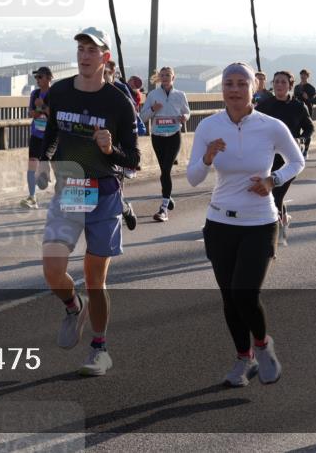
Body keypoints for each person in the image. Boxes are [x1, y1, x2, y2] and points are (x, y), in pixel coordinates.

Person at [187, 62, 304, 387]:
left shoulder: (271, 126)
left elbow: (297, 161)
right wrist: (207, 157)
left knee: (245, 293)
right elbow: (194, 178)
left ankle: (263, 346)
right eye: (229, 84)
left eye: (241, 83)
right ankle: (243, 359)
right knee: (229, 297)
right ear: (221, 88)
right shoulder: (209, 126)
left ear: (254, 88)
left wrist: (273, 180)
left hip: (260, 222)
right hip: (220, 222)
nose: (234, 90)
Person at [38, 27, 140, 376]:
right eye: (80, 49)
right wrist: (42, 161)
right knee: (52, 270)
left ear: (105, 58)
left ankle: (100, 348)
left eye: (92, 50)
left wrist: (111, 149)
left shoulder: (118, 102)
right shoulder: (61, 91)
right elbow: (51, 134)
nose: (84, 55)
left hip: (105, 193)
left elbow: (134, 161)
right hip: (70, 188)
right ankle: (71, 306)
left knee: (95, 278)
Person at [255, 71, 314, 245]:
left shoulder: (298, 106)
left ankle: (278, 234)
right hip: (269, 157)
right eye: (277, 82)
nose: (279, 85)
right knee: (274, 193)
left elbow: (310, 128)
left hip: (290, 159)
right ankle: (282, 221)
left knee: (277, 194)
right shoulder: (265, 105)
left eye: (283, 82)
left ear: (290, 85)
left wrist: (301, 139)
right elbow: (252, 122)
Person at [139, 66, 191, 222]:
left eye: (168, 75)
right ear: (159, 78)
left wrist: (185, 117)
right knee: (164, 170)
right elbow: (143, 116)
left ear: (173, 78)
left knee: (166, 170)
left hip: (174, 135)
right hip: (158, 137)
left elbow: (187, 112)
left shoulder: (180, 95)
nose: (165, 77)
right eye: (162, 75)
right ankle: (167, 197)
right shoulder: (153, 95)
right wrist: (153, 109)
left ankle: (163, 208)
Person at [104, 60, 141, 230]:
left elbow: (131, 112)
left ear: (113, 73)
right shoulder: (86, 90)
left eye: (106, 73)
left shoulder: (120, 91)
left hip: (115, 147)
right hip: (89, 149)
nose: (102, 77)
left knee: (113, 191)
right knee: (82, 204)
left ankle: (124, 208)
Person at [22, 66, 53, 209]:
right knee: (31, 166)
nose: (37, 80)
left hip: (51, 137)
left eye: (40, 77)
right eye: (36, 77)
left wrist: (42, 106)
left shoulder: (54, 94)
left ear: (48, 78)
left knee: (50, 169)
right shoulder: (34, 94)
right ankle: (32, 197)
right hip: (36, 135)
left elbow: (54, 114)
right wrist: (39, 110)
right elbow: (31, 114)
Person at [293, 69, 316, 156]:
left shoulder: (311, 88)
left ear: (307, 76)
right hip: (296, 111)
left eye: (304, 75)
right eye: (301, 75)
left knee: (307, 130)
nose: (303, 76)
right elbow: (293, 98)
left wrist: (307, 98)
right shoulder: (297, 87)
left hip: (308, 111)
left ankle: (306, 150)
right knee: (295, 130)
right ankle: (297, 148)